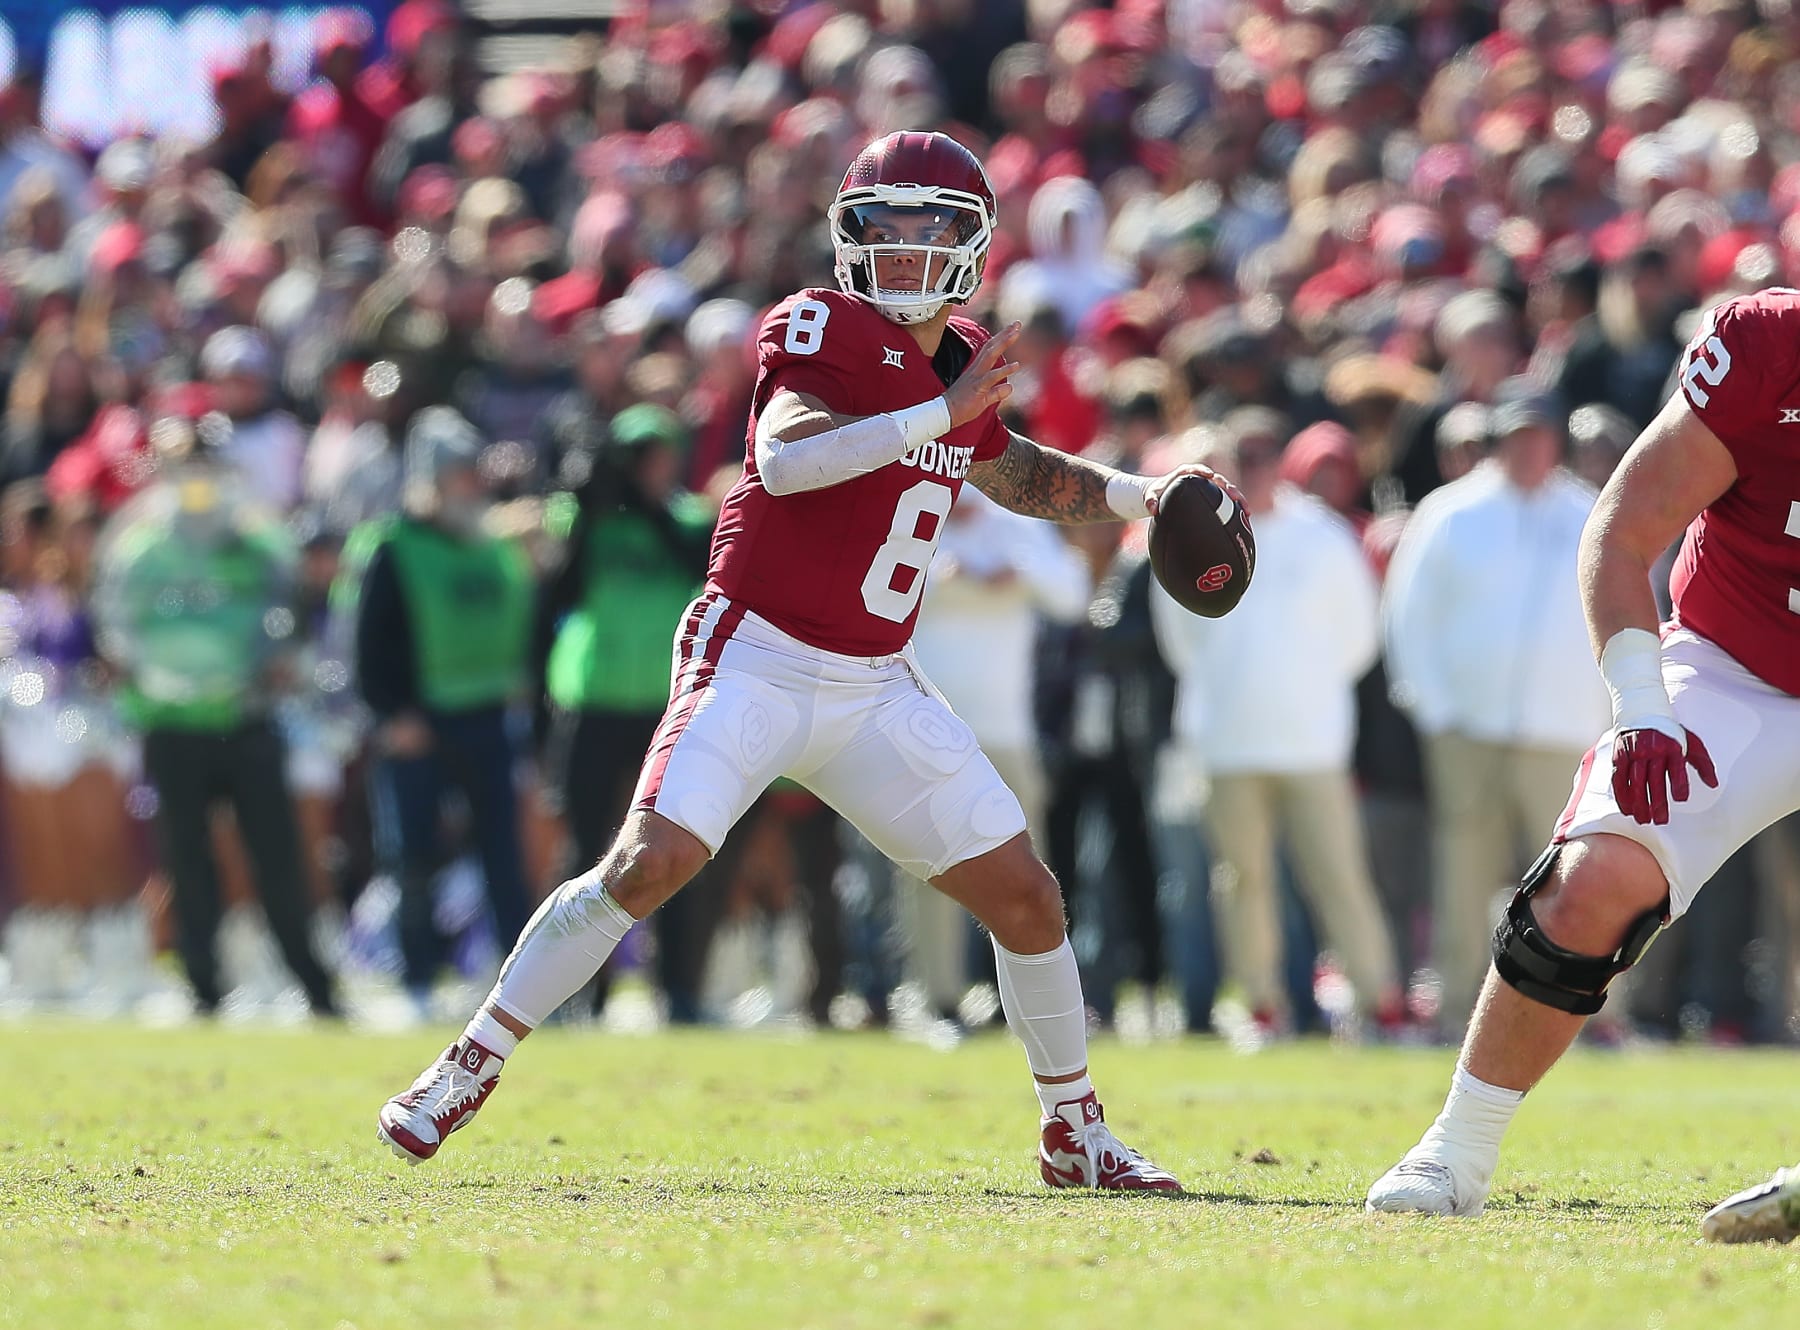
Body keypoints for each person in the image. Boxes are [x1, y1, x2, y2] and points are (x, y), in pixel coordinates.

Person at [377, 131, 1216, 1191]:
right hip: (756, 653)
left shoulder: (960, 360)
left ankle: (1075, 1130)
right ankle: (470, 1059)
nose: (908, 251)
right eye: (886, 226)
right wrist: (935, 415)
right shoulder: (818, 325)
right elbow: (787, 457)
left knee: (1029, 899)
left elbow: (1010, 469)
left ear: (974, 244)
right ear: (847, 236)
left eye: (932, 229)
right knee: (649, 864)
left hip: (871, 681)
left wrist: (1142, 495)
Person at [1364, 288, 1800, 1234]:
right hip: (1740, 668)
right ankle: (1459, 1147)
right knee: (1593, 877)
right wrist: (1642, 704)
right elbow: (1626, 524)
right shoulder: (1770, 346)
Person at [1152, 415, 1400, 1035]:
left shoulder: (1322, 534)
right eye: (1244, 456)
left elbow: (1360, 637)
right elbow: (1179, 640)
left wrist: (1307, 691)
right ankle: (1262, 1007)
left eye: (1265, 455)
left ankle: (1382, 1005)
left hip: (1313, 741)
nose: (1255, 467)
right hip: (1230, 743)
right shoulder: (1188, 534)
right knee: (1243, 882)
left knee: (1340, 878)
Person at [1381, 385, 1612, 1029]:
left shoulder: (1587, 511)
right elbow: (1407, 616)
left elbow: (1622, 607)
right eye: (1517, 436)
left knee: (1574, 880)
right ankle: (1456, 1006)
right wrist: (1435, 710)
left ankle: (1575, 1013)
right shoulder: (1452, 512)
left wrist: (1604, 715)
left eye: (1540, 435)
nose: (1529, 449)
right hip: (1467, 730)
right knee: (1464, 872)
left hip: (1564, 731)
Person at [89, 423, 339, 1019]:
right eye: (185, 467)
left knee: (277, 857)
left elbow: (290, 617)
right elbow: (116, 625)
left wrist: (277, 663)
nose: (197, 482)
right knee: (186, 860)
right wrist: (139, 673)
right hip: (173, 723)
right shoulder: (139, 548)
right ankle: (203, 988)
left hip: (247, 718)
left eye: (207, 466)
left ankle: (316, 987)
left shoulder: (259, 544)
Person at [334, 407, 535, 1014]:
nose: (470, 484)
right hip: (416, 723)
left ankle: (518, 983)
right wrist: (394, 715)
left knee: (503, 854)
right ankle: (417, 980)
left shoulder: (492, 545)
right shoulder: (391, 546)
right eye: (458, 473)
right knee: (411, 856)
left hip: (486, 718)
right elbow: (367, 643)